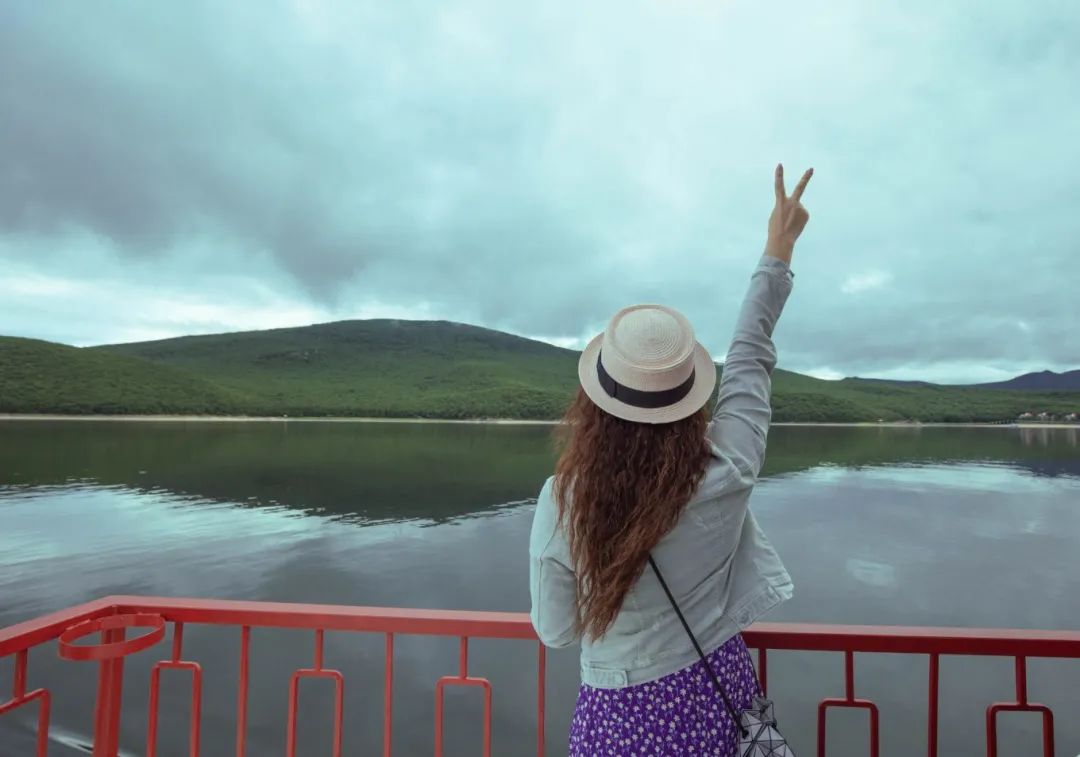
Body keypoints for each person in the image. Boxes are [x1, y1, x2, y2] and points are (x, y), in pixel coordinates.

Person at [529, 164, 812, 755]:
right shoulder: (727, 471)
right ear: (690, 402)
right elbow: (750, 359)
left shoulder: (564, 499)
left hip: (619, 718)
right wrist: (776, 251)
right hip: (718, 696)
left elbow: (556, 631)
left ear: (595, 406)